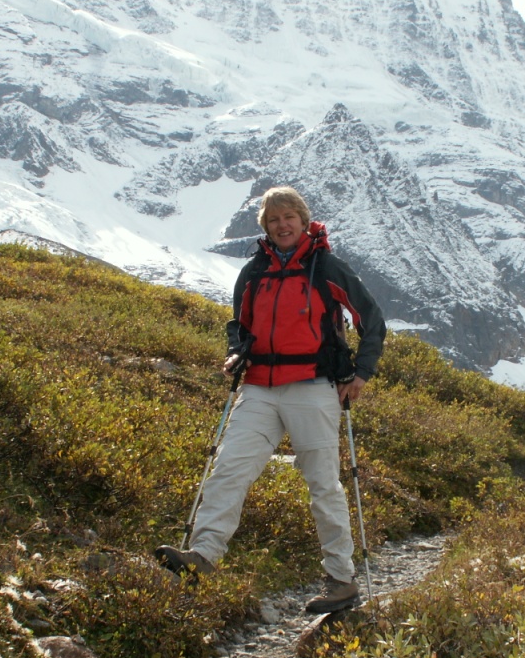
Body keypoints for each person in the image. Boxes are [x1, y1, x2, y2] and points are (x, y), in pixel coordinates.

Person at [156, 186, 387, 613]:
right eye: (273, 219)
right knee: (229, 468)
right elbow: (239, 325)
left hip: (313, 386)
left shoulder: (327, 267)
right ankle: (203, 555)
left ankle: (341, 579)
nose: (282, 225)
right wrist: (236, 352)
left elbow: (371, 319)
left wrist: (361, 373)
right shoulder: (254, 271)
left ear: (303, 221)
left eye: (288, 217)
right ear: (265, 226)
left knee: (323, 485)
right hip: (259, 386)